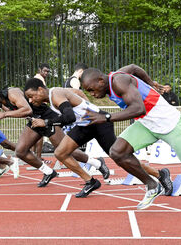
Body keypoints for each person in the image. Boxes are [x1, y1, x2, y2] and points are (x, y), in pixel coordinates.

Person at [24, 78, 173, 198]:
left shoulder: (55, 94)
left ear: (41, 89)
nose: (31, 100)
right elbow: (74, 96)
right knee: (60, 152)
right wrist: (82, 100)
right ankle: (90, 181)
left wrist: (47, 122)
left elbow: (68, 117)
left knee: (120, 157)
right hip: (84, 125)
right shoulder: (54, 95)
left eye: (31, 96)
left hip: (99, 122)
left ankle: (160, 174)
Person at [81, 64, 181, 209]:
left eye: (91, 89)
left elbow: (138, 108)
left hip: (169, 123)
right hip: (147, 125)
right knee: (117, 151)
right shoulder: (117, 76)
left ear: (101, 81)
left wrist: (106, 117)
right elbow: (134, 68)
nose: (92, 94)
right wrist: (151, 84)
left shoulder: (119, 81)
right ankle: (152, 186)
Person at [0, 83, 109, 191]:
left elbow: (27, 110)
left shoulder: (12, 93)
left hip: (47, 118)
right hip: (34, 122)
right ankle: (49, 172)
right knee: (20, 151)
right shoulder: (0, 103)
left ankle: (97, 163)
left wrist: (5, 114)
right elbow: (25, 113)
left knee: (65, 151)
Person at [33, 63, 50, 163]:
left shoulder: (37, 78)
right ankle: (38, 158)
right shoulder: (39, 79)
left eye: (48, 71)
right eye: (45, 71)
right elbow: (43, 93)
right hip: (39, 107)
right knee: (39, 134)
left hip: (36, 107)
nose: (46, 73)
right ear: (40, 70)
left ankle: (33, 157)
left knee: (35, 132)